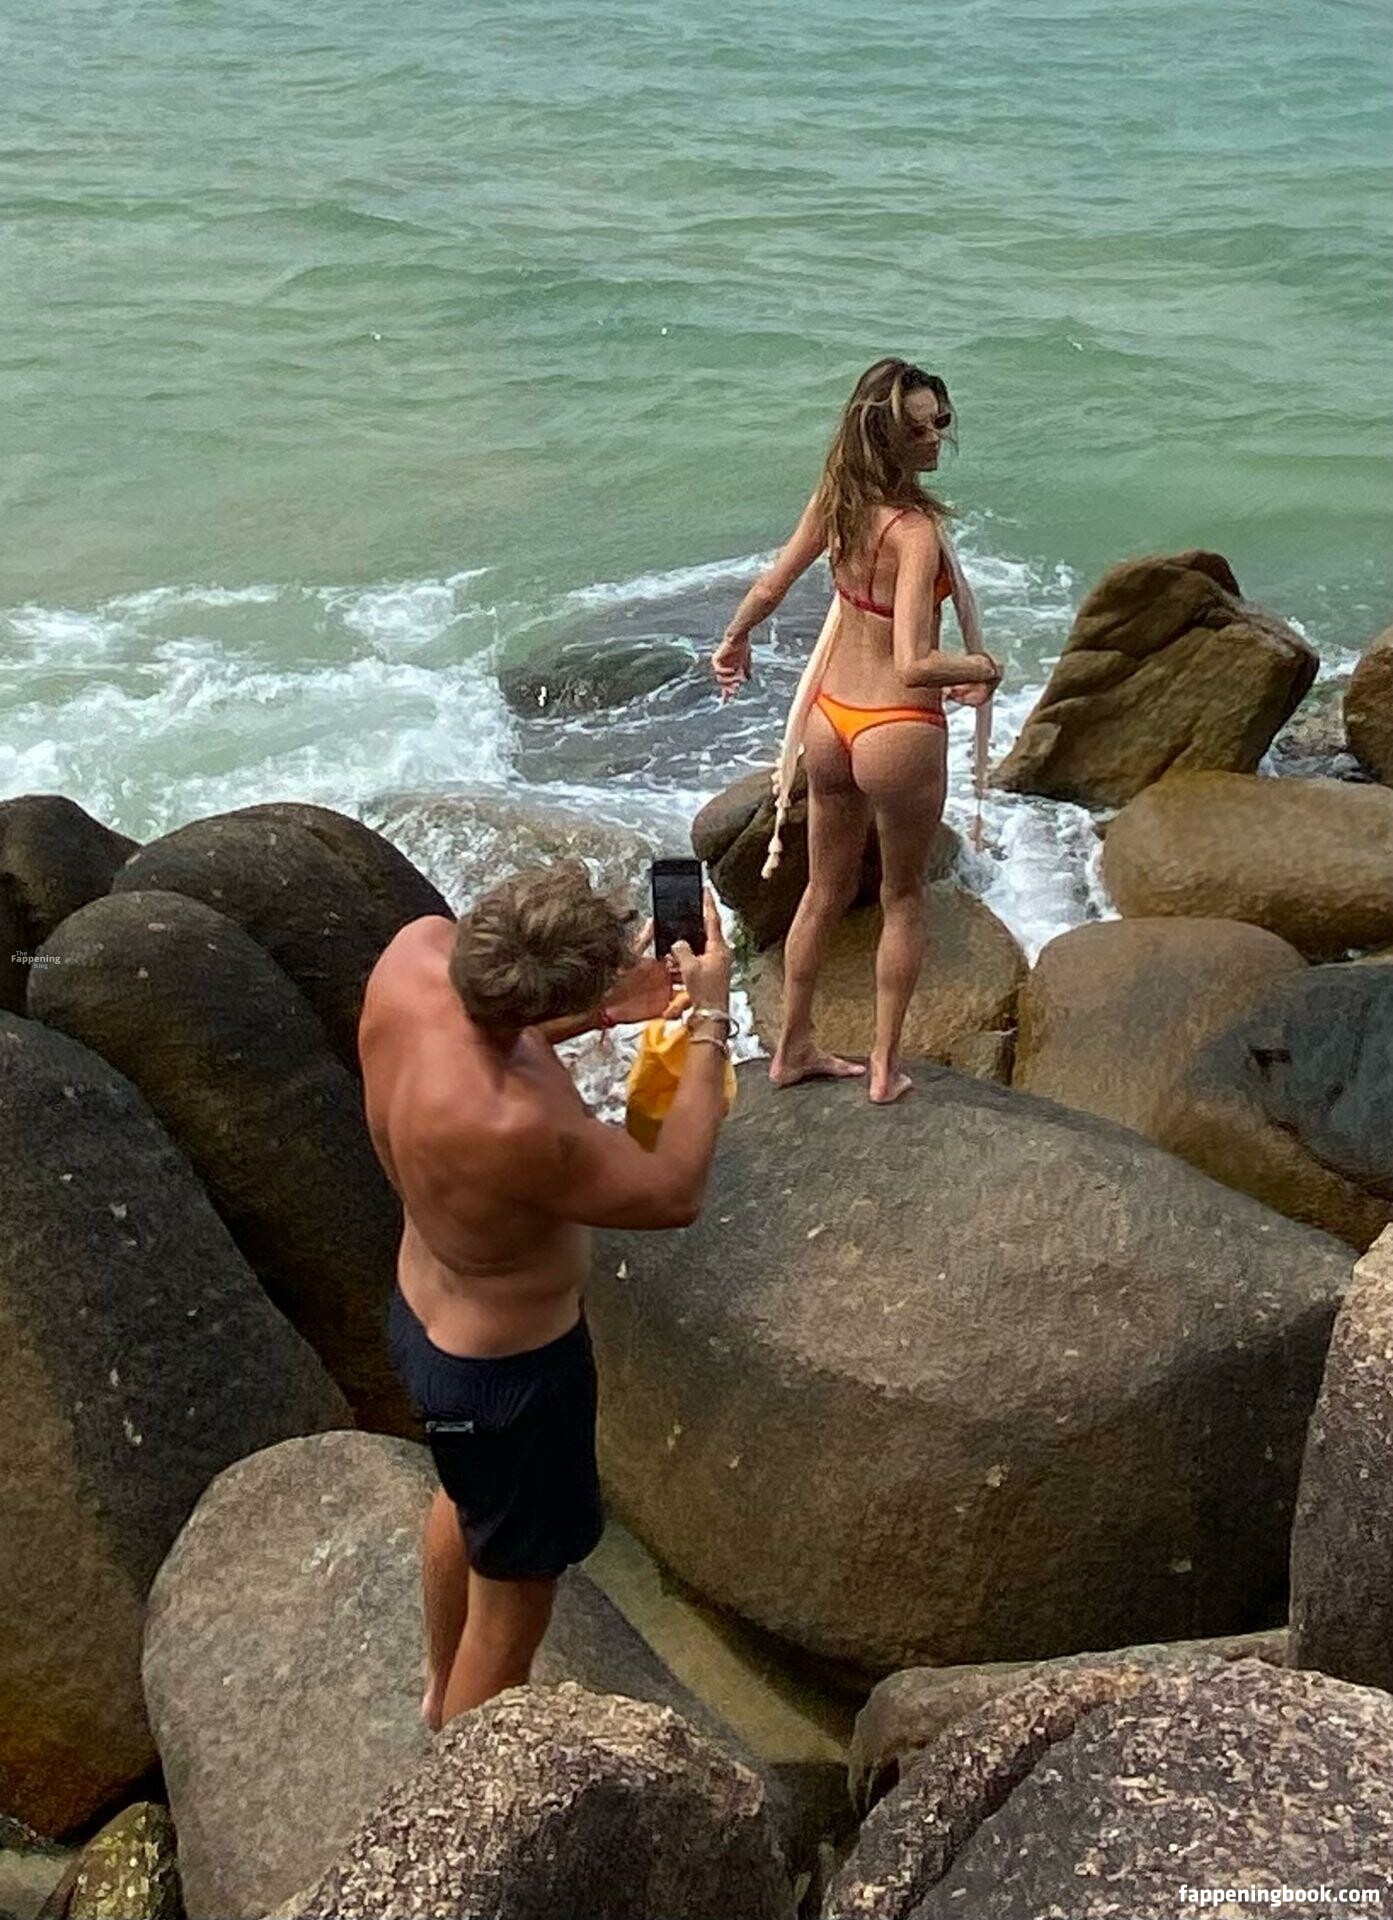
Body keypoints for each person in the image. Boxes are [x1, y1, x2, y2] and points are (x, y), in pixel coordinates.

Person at [359, 862, 733, 1729]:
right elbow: (672, 1191)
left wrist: (604, 1012)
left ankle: (438, 1693)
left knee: (467, 1497)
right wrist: (710, 1020)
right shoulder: (517, 1123)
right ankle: (460, 1769)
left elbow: (488, 1022)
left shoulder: (410, 957)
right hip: (508, 1382)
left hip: (423, 1320)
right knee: (513, 1603)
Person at [712, 357, 1002, 1105]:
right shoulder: (915, 532)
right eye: (918, 429)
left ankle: (792, 1048)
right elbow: (915, 663)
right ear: (884, 435)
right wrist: (983, 666)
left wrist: (734, 639)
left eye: (941, 423)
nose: (934, 439)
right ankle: (884, 1066)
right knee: (902, 896)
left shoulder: (836, 502)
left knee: (822, 890)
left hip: (830, 720)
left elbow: (771, 584)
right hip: (896, 728)